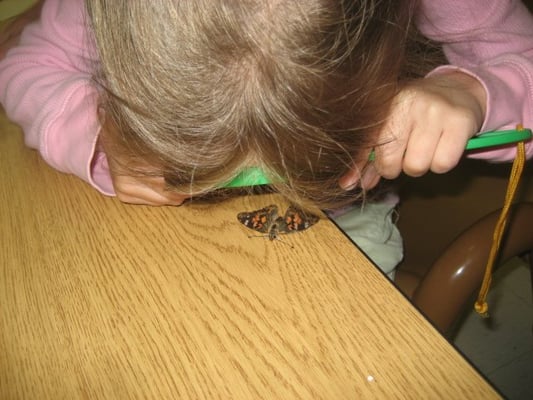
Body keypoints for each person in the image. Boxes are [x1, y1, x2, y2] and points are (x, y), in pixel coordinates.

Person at [1, 0, 532, 279]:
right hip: (154, 229)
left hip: (346, 222)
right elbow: (24, 66)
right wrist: (95, 133)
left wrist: (476, 96)